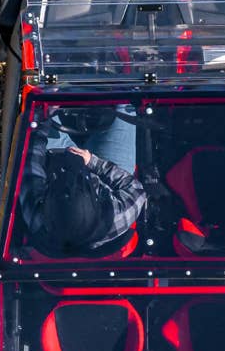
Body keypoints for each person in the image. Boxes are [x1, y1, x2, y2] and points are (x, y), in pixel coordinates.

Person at [19, 105, 146, 256]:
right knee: (125, 109)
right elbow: (136, 189)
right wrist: (93, 162)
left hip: (56, 162)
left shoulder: (38, 218)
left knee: (38, 114)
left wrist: (42, 119)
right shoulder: (115, 217)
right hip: (106, 177)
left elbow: (31, 158)